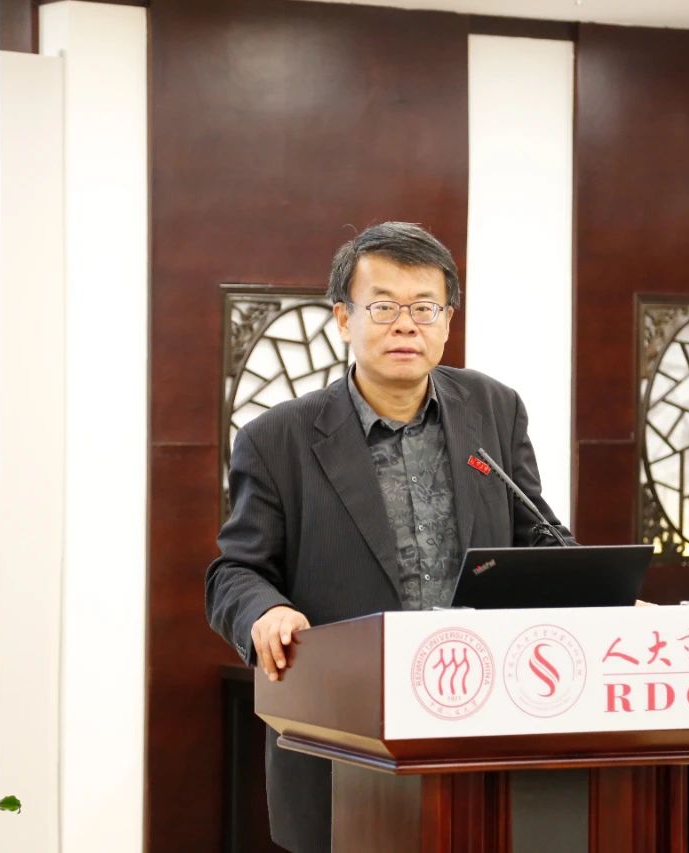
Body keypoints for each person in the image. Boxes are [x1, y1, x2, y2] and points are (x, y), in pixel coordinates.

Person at [205, 221, 572, 852]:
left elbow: (536, 534)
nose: (407, 325)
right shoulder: (277, 439)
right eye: (383, 307)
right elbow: (234, 571)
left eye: (425, 307)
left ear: (447, 321)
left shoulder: (494, 409)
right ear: (344, 319)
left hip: (486, 727)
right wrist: (265, 611)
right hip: (344, 740)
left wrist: (603, 594)